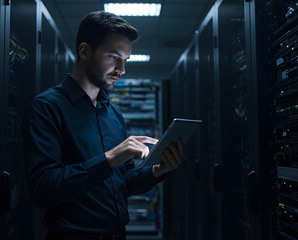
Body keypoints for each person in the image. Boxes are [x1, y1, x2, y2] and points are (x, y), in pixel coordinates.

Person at [21, 10, 184, 240]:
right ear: (85, 51)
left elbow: (123, 183)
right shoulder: (47, 108)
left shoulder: (112, 112)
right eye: (113, 57)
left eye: (125, 60)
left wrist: (157, 172)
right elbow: (43, 190)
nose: (122, 70)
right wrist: (109, 158)